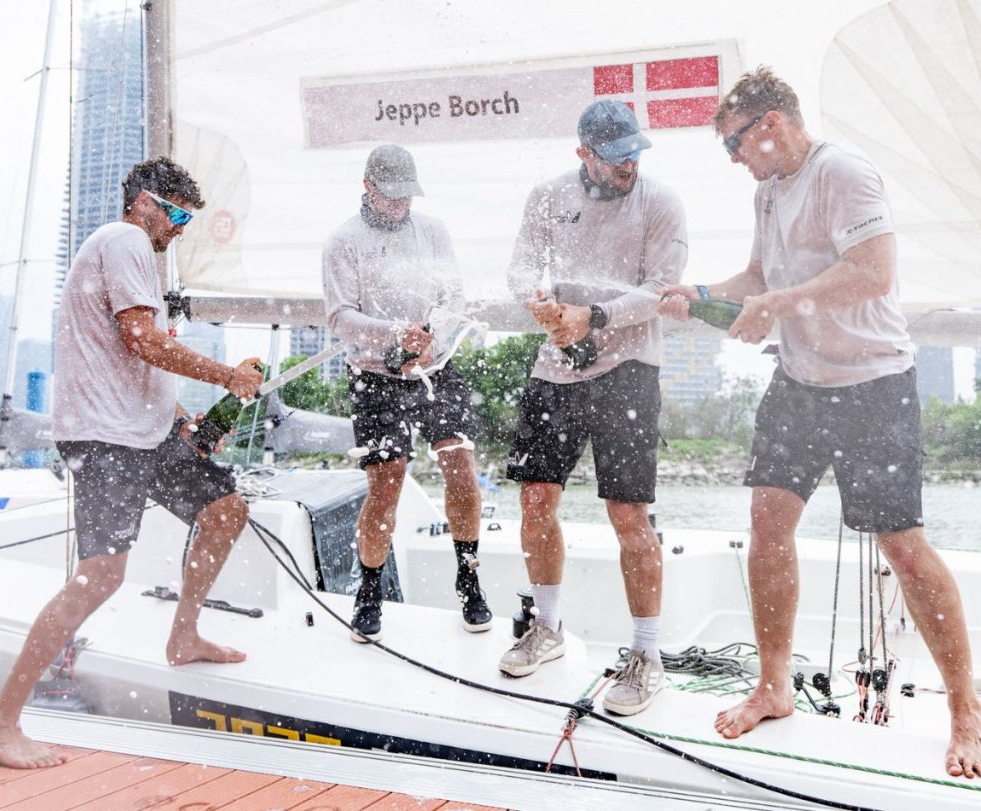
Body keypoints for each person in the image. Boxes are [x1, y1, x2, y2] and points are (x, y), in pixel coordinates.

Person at [659, 66, 981, 778]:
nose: (736, 160)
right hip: (799, 382)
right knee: (768, 523)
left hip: (874, 384)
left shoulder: (845, 174)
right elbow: (759, 276)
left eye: (735, 144)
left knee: (904, 547)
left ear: (771, 124)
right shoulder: (770, 193)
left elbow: (873, 272)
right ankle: (774, 686)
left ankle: (966, 708)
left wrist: (778, 306)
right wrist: (707, 292)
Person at [0, 157, 264, 770]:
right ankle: (0, 728)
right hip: (106, 439)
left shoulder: (131, 253)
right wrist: (227, 376)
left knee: (225, 509)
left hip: (145, 431)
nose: (180, 229)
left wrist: (183, 416)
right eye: (178, 215)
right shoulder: (126, 239)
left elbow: (131, 359)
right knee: (101, 576)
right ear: (146, 203)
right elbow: (143, 341)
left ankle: (182, 635)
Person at [499, 100, 688, 717]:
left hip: (629, 368)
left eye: (636, 151)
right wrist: (543, 305)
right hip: (557, 365)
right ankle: (548, 625)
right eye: (616, 156)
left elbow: (661, 289)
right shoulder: (547, 195)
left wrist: (594, 317)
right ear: (584, 154)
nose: (630, 163)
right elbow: (522, 266)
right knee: (535, 499)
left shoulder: (661, 203)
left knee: (628, 514)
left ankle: (647, 655)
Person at [322, 143, 491, 642]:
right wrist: (395, 336)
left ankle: (469, 578)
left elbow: (452, 296)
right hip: (373, 375)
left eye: (406, 197)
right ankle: (369, 590)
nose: (399, 205)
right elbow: (340, 317)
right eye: (390, 196)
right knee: (386, 483)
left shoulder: (433, 232)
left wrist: (429, 335)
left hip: (437, 368)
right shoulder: (342, 242)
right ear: (368, 186)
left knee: (460, 464)